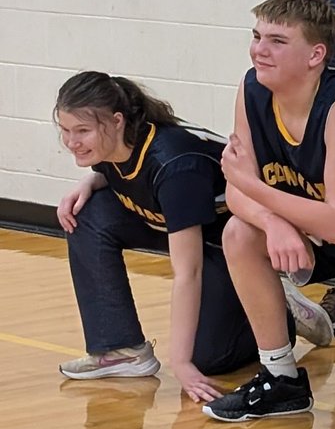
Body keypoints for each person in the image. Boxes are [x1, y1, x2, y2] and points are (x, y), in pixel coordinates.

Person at [204, 0, 335, 421]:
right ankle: (281, 378)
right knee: (238, 232)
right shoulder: (251, 87)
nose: (259, 49)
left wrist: (256, 194)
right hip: (311, 232)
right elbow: (236, 191)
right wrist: (272, 222)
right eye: (257, 36)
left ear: (315, 55)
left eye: (277, 41)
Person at [52, 74, 283, 399]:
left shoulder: (174, 165)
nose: (72, 142)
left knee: (209, 358)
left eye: (82, 131)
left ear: (117, 122)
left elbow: (188, 272)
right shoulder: (115, 145)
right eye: (65, 130)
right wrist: (88, 184)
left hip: (226, 244)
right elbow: (119, 177)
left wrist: (182, 362)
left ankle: (276, 306)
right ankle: (121, 349)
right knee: (85, 215)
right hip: (178, 226)